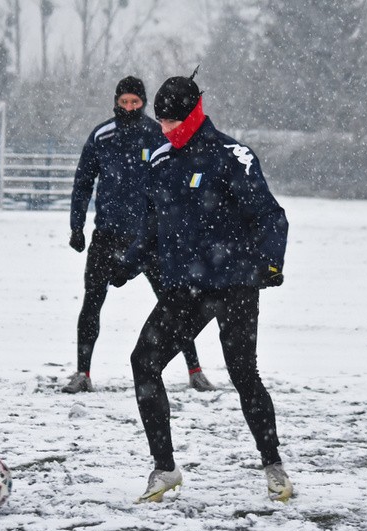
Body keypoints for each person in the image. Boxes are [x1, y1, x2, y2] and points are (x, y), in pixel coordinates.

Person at [110, 70, 293, 503]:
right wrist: (127, 263)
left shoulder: (232, 155)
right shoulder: (160, 159)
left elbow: (271, 216)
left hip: (234, 284)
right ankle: (165, 468)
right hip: (185, 288)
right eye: (162, 122)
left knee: (243, 374)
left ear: (194, 112)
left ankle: (274, 467)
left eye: (174, 121)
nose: (167, 129)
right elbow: (152, 225)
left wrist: (270, 264)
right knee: (143, 362)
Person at [64, 76, 215, 394]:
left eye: (135, 102)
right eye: (124, 102)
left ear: (144, 103)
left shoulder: (157, 134)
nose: (130, 107)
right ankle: (82, 373)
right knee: (92, 302)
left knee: (173, 304)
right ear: (116, 103)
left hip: (150, 239)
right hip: (107, 234)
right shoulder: (102, 135)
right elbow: (82, 183)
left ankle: (195, 369)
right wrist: (76, 226)